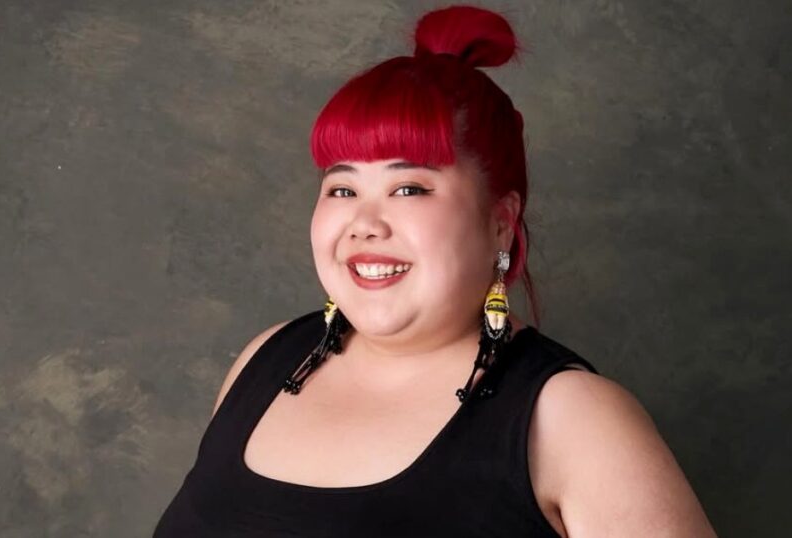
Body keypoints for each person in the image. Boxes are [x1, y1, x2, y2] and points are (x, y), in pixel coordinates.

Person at [154, 5, 717, 537]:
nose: (364, 223)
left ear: (500, 222)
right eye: (342, 188)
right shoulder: (266, 359)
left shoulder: (572, 418)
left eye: (409, 188)